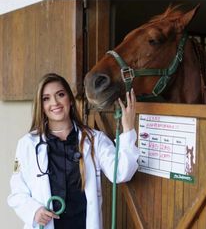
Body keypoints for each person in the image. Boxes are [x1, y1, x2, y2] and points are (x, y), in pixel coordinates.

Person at [7, 73, 140, 229]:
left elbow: (121, 173)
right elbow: (17, 193)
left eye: (60, 95)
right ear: (41, 106)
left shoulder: (94, 139)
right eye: (46, 98)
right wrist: (34, 211)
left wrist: (128, 129)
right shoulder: (27, 144)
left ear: (70, 99)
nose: (55, 102)